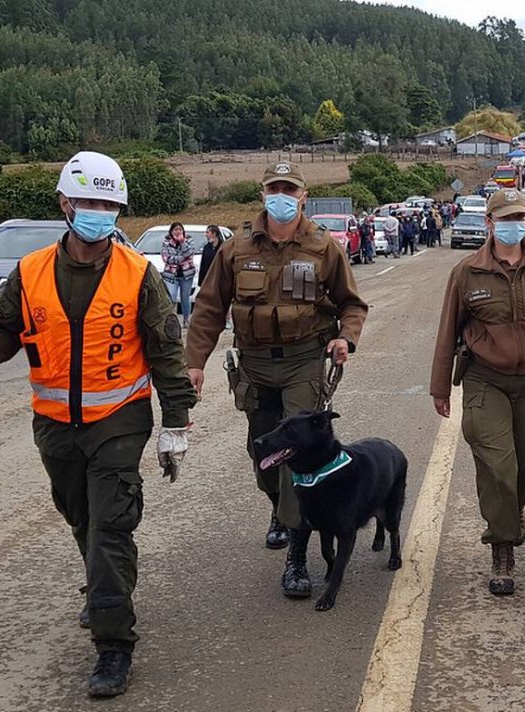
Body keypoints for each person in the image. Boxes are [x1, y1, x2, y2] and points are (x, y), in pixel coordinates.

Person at [0, 151, 196, 698]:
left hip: (119, 421)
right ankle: (106, 591)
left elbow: (166, 351)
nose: (97, 212)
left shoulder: (139, 275)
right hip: (55, 426)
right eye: (88, 201)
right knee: (81, 518)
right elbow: (7, 333)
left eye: (108, 204)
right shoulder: (31, 271)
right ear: (65, 203)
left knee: (110, 526)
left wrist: (175, 423)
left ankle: (114, 643)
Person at [185, 161, 368, 598]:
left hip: (305, 361)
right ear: (262, 193)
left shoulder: (324, 247)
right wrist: (194, 362)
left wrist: (346, 338)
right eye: (274, 188)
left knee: (297, 451)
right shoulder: (237, 248)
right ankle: (280, 509)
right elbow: (209, 308)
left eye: (290, 189)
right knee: (263, 453)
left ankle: (297, 559)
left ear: (303, 196)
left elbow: (352, 303)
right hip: (255, 364)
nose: (281, 195)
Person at [430, 188, 525, 596]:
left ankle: (514, 512)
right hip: (486, 379)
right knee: (498, 466)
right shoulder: (468, 272)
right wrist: (440, 387)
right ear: (489, 224)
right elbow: (447, 332)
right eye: (505, 218)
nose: (514, 224)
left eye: (520, 217)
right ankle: (501, 549)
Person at [161, 222, 195, 328]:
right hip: (171, 275)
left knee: (185, 298)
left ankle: (186, 320)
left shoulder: (189, 241)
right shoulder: (166, 243)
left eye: (180, 229)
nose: (178, 232)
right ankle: (172, 320)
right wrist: (181, 258)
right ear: (171, 232)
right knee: (172, 297)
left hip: (186, 275)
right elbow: (166, 258)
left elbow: (189, 253)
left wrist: (182, 243)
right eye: (175, 230)